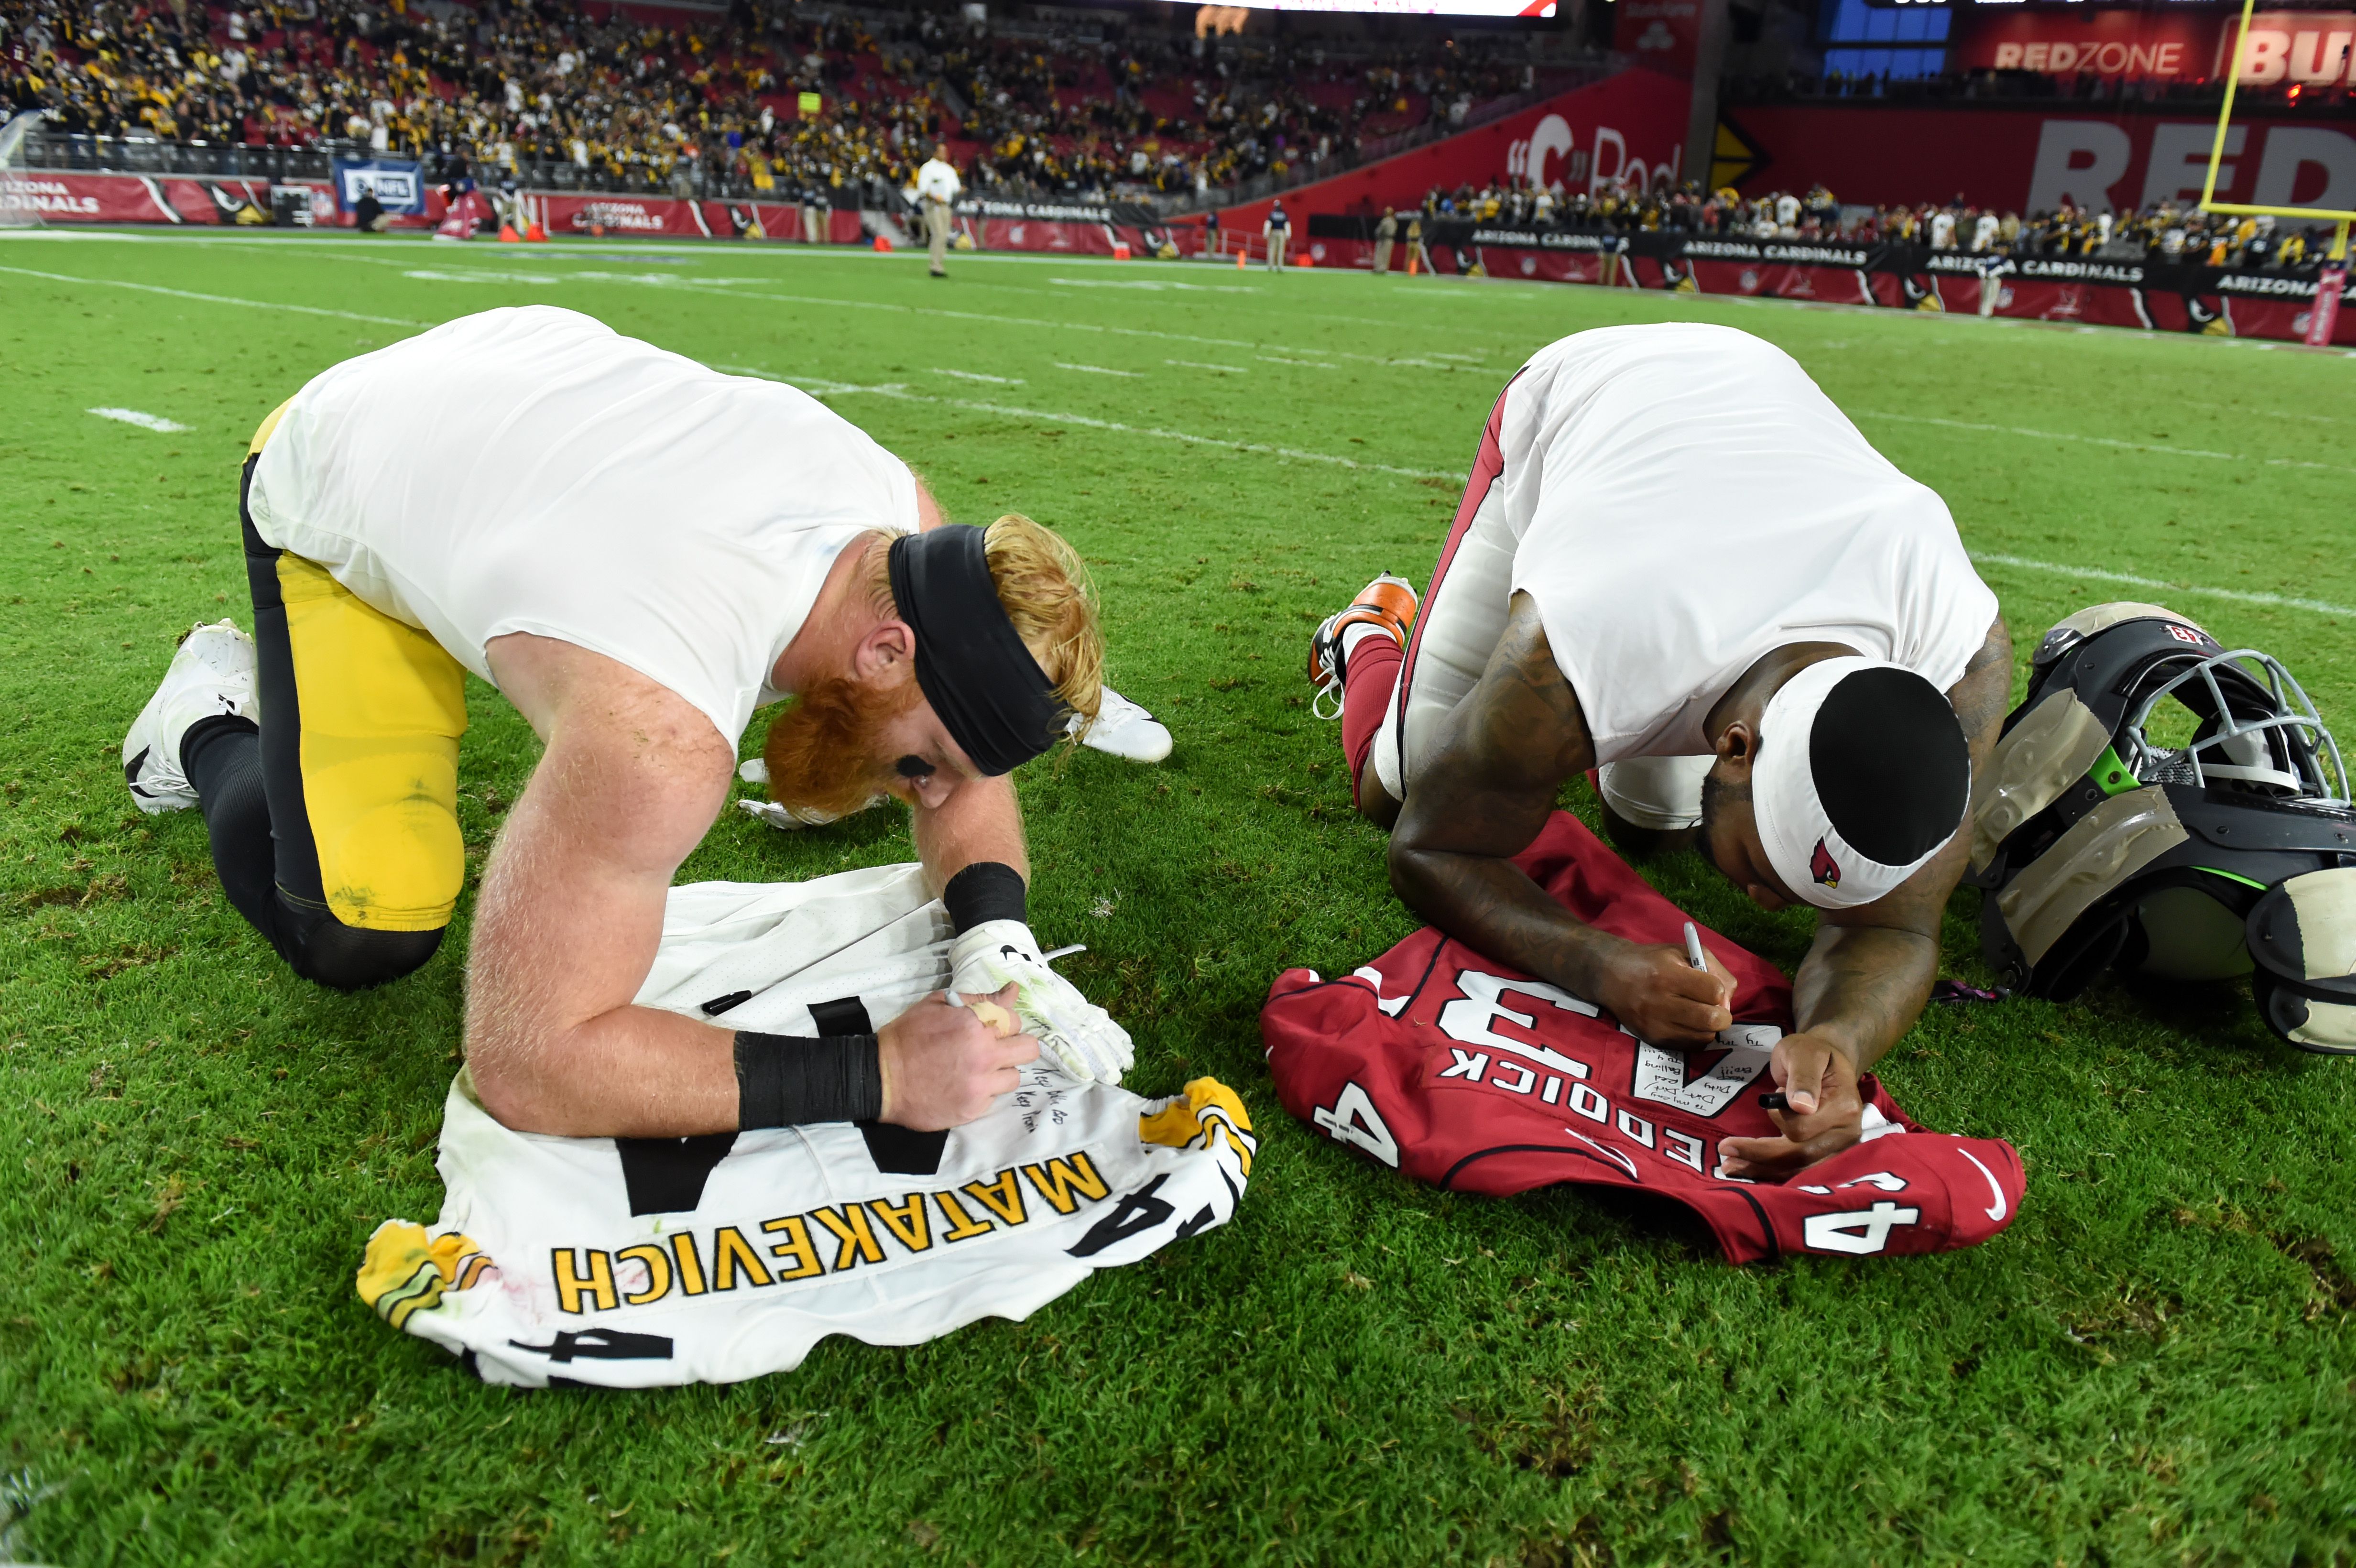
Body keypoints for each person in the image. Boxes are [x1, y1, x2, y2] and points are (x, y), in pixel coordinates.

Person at [121, 305, 1133, 1141]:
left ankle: (481, 586)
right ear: (885, 652)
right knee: (360, 927)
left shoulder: (901, 528)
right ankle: (206, 718)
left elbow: (969, 748)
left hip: (517, 409)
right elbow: (529, 1059)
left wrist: (997, 930)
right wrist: (877, 1076)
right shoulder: (662, 735)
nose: (931, 795)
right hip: (343, 453)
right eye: (925, 766)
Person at [1303, 323, 2010, 1181]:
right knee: (1401, 783)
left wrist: (1838, 1039)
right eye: (1763, 869)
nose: (1764, 904)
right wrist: (1598, 964)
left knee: (1649, 824)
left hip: (1740, 458)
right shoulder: (1584, 636)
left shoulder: (1957, 648)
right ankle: (1369, 631)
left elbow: (1897, 923)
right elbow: (1429, 844)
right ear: (1736, 748)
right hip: (1586, 399)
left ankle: (1618, 744)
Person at [916, 142, 961, 278]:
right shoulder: (928, 168)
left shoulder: (949, 169)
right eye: (941, 151)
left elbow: (956, 188)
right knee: (939, 234)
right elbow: (923, 189)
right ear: (935, 153)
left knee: (944, 235)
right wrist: (935, 197)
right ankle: (935, 266)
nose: (944, 154)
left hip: (946, 206)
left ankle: (939, 264)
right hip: (933, 205)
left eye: (945, 151)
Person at [1264, 198, 1289, 271]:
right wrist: (1288, 234)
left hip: (1273, 232)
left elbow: (1268, 224)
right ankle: (1280, 266)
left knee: (1272, 249)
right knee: (1281, 250)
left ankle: (1270, 266)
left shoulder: (1272, 213)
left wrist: (1266, 233)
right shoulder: (1284, 214)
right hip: (1281, 233)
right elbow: (1287, 224)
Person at [1372, 207, 1396, 275]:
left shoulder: (1385, 221)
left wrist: (1378, 236)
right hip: (1391, 239)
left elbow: (1379, 231)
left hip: (1383, 239)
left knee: (1380, 254)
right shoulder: (1393, 221)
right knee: (1387, 254)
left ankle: (1379, 268)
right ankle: (1384, 268)